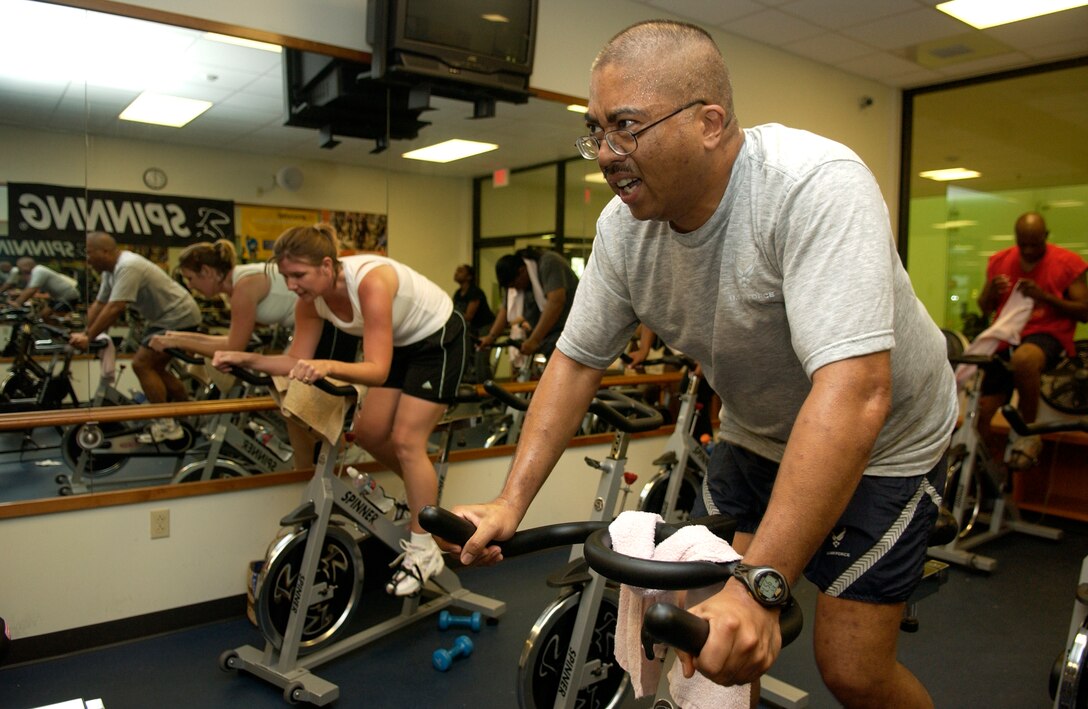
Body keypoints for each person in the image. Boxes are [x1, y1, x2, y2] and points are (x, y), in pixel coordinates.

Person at [447, 20, 958, 709]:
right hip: (757, 430)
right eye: (595, 129)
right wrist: (512, 501)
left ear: (710, 122)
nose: (604, 152)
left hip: (888, 441)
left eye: (624, 126)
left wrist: (762, 584)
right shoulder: (622, 232)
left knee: (851, 668)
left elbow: (856, 393)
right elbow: (573, 364)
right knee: (706, 637)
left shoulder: (813, 186)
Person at [212, 223, 467, 597]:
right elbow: (295, 359)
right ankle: (422, 500)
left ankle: (423, 547)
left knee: (407, 441)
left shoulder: (370, 282)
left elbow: (376, 370)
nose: (293, 284)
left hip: (437, 340)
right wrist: (246, 357)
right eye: (286, 277)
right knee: (369, 434)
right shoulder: (309, 303)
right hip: (399, 343)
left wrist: (328, 365)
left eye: (299, 274)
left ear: (328, 266)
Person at [976, 211, 1088, 468]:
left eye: (1034, 244)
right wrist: (991, 292)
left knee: (1025, 359)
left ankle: (1030, 432)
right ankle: (984, 471)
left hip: (1047, 335)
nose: (1027, 250)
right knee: (983, 409)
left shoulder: (1067, 263)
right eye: (1022, 243)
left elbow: (1084, 311)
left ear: (1046, 237)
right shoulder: (1000, 261)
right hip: (1007, 336)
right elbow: (984, 307)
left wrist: (1045, 296)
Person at [69, 232, 203, 442]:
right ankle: (189, 414)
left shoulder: (128, 266)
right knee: (156, 368)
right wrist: (82, 332)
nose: (87, 258)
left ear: (105, 251)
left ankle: (167, 425)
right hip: (164, 318)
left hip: (179, 316)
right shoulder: (110, 272)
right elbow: (100, 304)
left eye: (89, 253)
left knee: (141, 365)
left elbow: (115, 307)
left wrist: (88, 337)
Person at [148, 239, 296, 358]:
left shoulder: (243, 287)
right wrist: (176, 337)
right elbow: (232, 339)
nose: (190, 286)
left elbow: (233, 347)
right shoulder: (235, 287)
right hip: (303, 327)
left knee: (286, 382)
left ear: (206, 271)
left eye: (190, 278)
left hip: (314, 324)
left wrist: (178, 342)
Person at [478, 246, 578, 359]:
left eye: (515, 285)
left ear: (522, 271)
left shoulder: (549, 262)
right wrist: (491, 337)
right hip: (549, 337)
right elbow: (504, 310)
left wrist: (534, 340)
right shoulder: (518, 282)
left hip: (570, 330)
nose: (515, 290)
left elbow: (556, 302)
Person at [452, 264, 494, 382]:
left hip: (485, 326)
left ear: (469, 277)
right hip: (472, 329)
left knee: (481, 358)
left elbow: (469, 316)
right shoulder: (458, 293)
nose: (456, 272)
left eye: (460, 271)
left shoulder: (475, 292)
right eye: (456, 270)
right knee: (468, 357)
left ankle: (487, 391)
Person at [7, 257, 80, 321]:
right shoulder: (35, 272)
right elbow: (29, 288)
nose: (20, 270)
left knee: (48, 316)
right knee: (43, 315)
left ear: (25, 266)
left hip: (67, 297)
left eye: (20, 267)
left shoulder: (39, 271)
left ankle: (63, 332)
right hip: (58, 298)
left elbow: (32, 290)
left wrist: (17, 303)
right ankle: (54, 332)